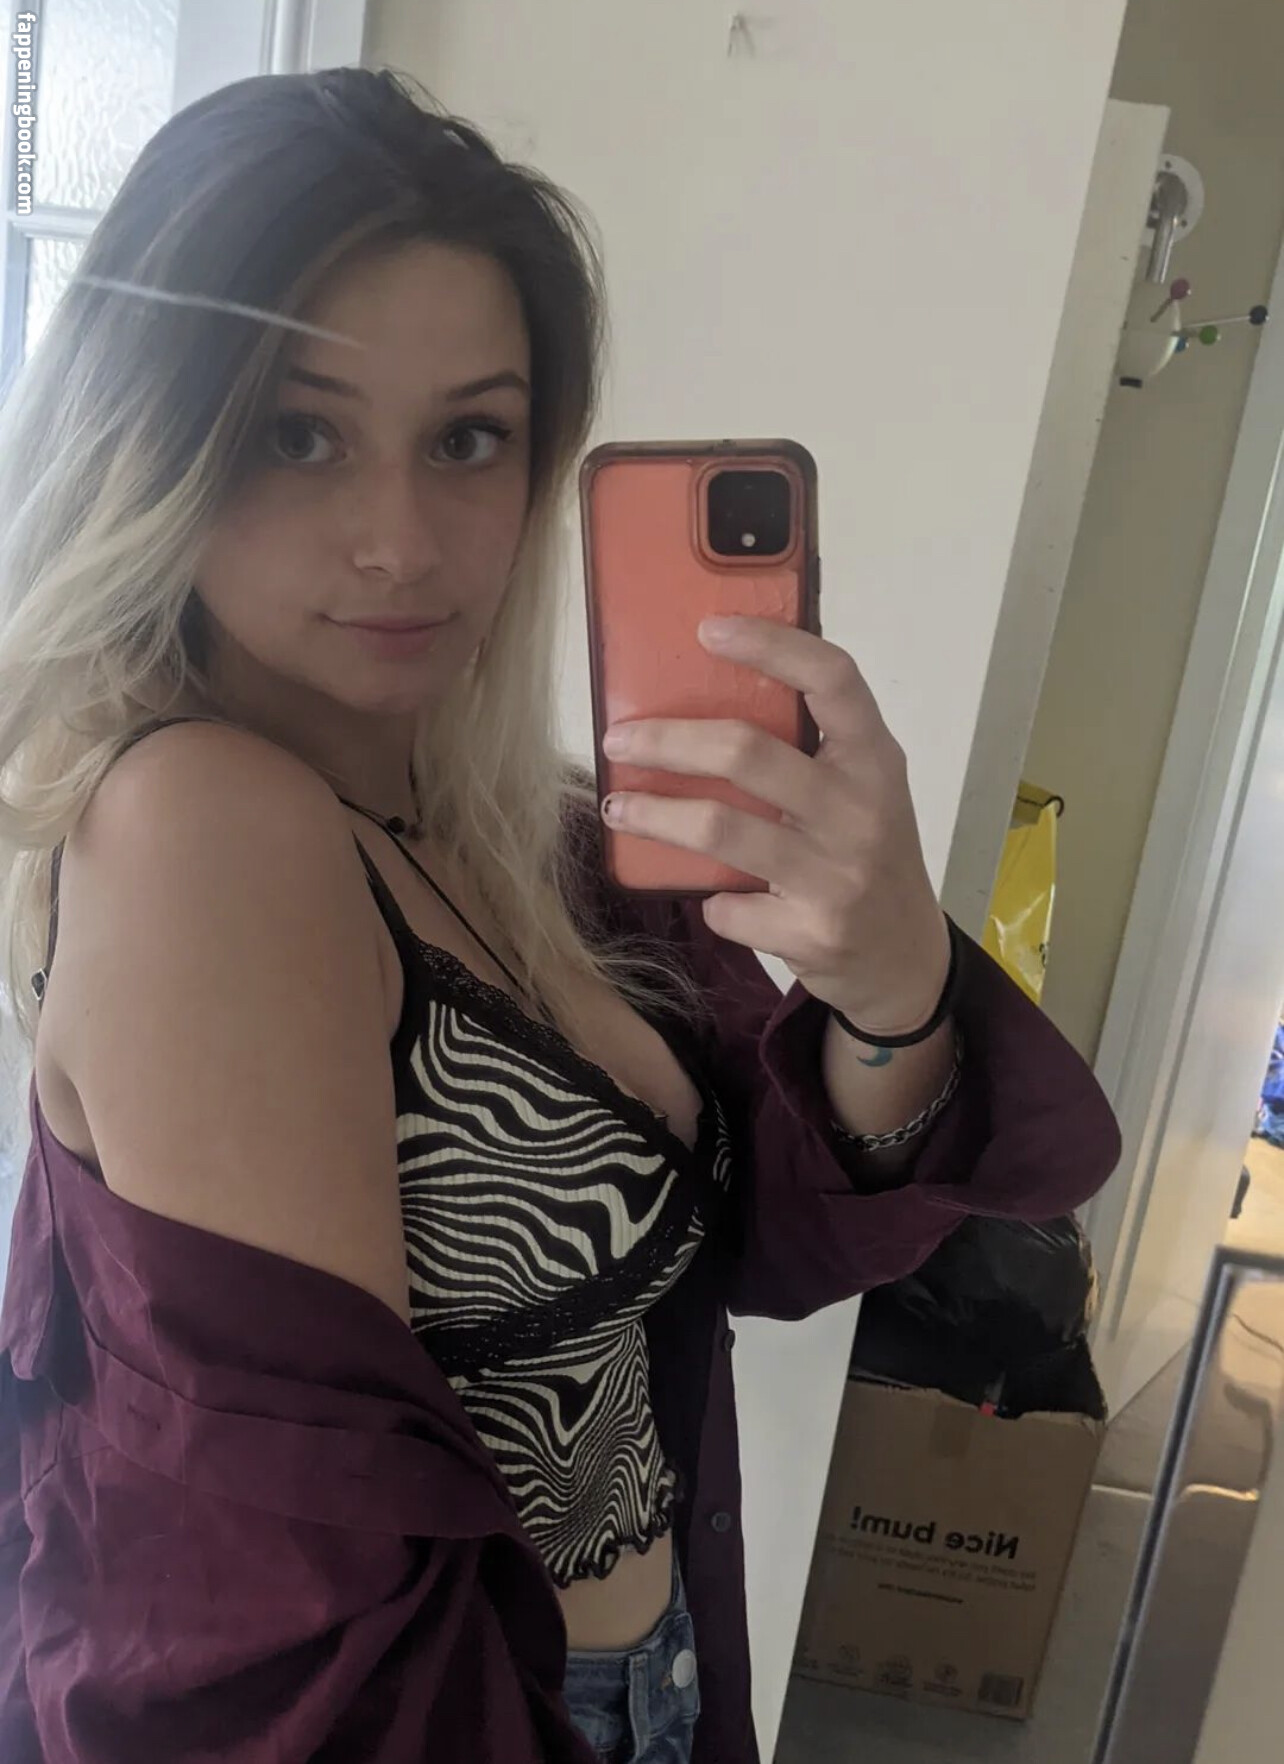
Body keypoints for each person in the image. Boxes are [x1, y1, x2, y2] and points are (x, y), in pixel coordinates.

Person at [0, 67, 1120, 1764]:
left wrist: (890, 990)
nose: (401, 543)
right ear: (150, 436)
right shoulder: (204, 828)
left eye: (470, 438)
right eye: (298, 432)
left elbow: (753, 1251)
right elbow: (296, 1597)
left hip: (656, 1672)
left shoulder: (526, 836)